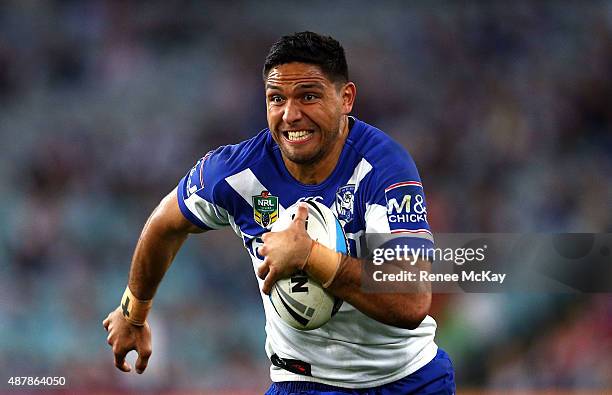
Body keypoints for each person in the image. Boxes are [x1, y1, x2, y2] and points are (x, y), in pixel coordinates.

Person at [103, 31, 455, 394]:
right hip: (303, 382)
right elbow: (164, 224)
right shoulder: (236, 172)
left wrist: (309, 256)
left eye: (308, 96)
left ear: (346, 98)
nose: (290, 114)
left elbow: (412, 298)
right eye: (276, 98)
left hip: (407, 380)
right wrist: (133, 311)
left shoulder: (383, 167)